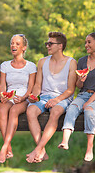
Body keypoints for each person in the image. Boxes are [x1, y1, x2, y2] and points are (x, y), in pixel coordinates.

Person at [58, 33, 95, 162]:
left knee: (89, 110)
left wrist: (89, 101)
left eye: (89, 42)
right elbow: (78, 85)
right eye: (85, 42)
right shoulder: (82, 61)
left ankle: (90, 147)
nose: (86, 45)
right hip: (83, 94)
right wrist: (81, 80)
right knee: (71, 108)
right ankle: (65, 141)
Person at [26, 31, 77, 163]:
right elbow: (37, 85)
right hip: (43, 97)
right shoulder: (42, 61)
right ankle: (41, 150)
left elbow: (71, 89)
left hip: (62, 98)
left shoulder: (71, 62)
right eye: (46, 43)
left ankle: (37, 149)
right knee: (30, 110)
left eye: (50, 43)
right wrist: (34, 96)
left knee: (55, 112)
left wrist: (56, 100)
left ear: (60, 46)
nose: (47, 46)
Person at [0, 34, 37, 163]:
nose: (13, 46)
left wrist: (24, 97)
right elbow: (2, 84)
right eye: (12, 43)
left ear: (24, 48)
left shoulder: (31, 66)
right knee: (2, 110)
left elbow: (31, 87)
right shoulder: (5, 65)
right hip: (9, 95)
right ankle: (8, 146)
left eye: (17, 44)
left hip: (24, 98)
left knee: (14, 111)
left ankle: (4, 147)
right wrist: (3, 95)